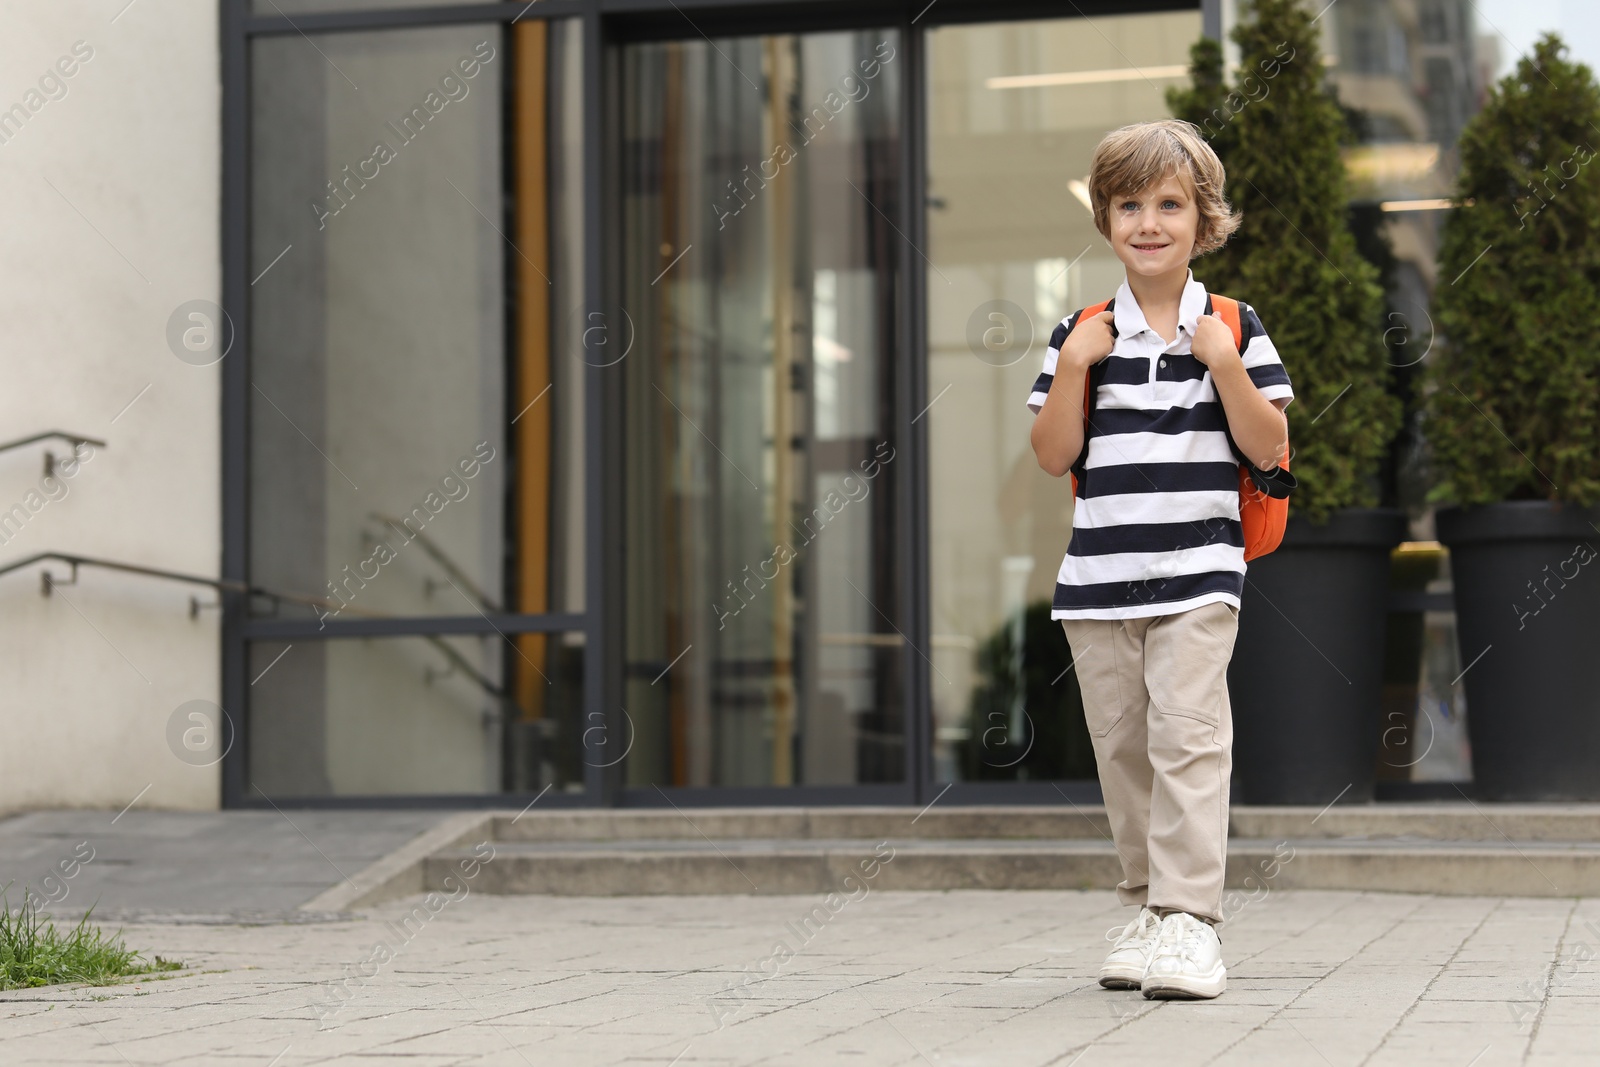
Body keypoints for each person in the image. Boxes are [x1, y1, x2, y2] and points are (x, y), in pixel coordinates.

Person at [1026, 119, 1294, 1000]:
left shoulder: (1233, 325)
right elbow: (1053, 455)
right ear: (1105, 219)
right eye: (1129, 204)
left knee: (1187, 736)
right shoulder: (1081, 332)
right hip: (1099, 583)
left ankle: (1192, 920)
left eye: (1169, 204)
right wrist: (1071, 369)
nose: (1149, 221)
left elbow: (1271, 449)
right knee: (1126, 752)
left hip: (1199, 578)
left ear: (1202, 218)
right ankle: (1148, 908)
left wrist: (1225, 370)